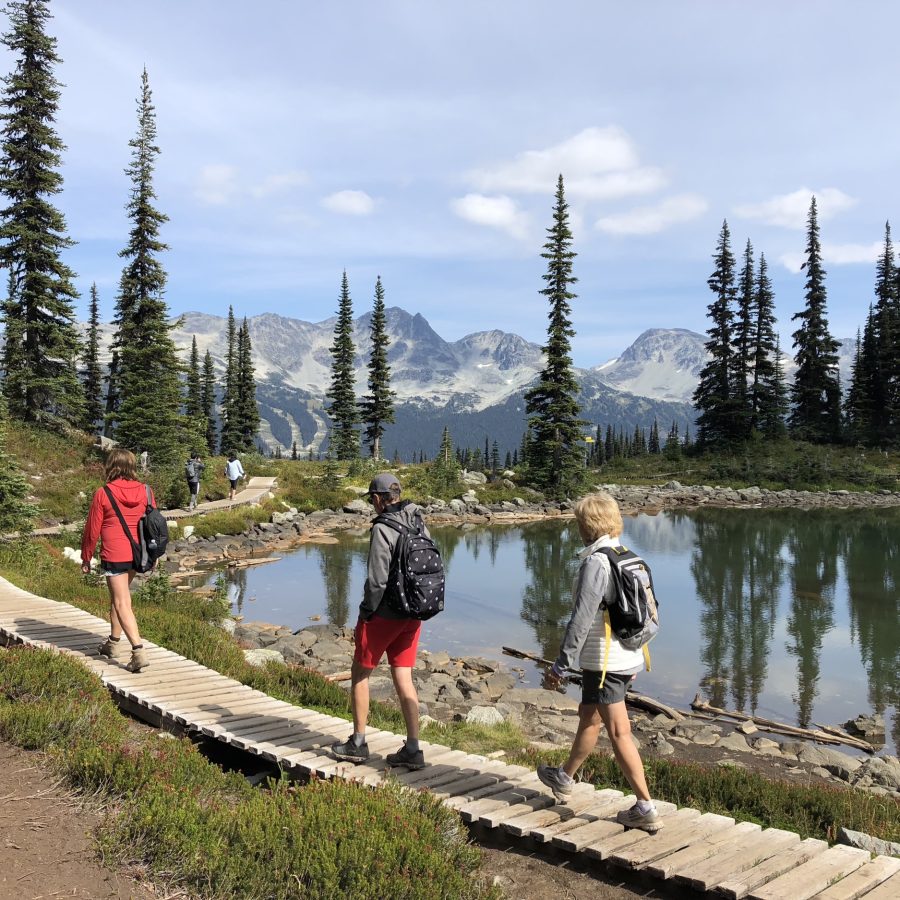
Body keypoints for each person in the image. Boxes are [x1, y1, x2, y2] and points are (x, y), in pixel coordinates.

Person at [537, 492, 663, 833]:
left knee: (619, 731)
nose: (578, 527)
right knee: (588, 716)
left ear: (588, 525)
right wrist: (635, 654)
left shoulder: (597, 562)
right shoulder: (628, 556)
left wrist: (561, 664)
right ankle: (564, 777)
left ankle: (645, 806)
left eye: (580, 522)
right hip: (626, 656)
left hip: (605, 661)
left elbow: (581, 618)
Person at [332, 472, 428, 769]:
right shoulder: (418, 519)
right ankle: (413, 748)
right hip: (414, 611)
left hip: (385, 613)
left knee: (360, 673)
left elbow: (376, 581)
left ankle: (358, 743)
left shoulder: (382, 529)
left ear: (377, 499)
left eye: (371, 499)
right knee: (403, 674)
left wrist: (365, 613)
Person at [80, 448, 153, 673]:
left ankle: (138, 651)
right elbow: (154, 525)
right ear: (132, 466)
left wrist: (86, 556)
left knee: (121, 602)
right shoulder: (147, 491)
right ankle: (112, 643)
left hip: (115, 553)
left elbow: (93, 529)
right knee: (119, 597)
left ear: (110, 466)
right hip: (138, 552)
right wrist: (154, 554)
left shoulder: (104, 493)